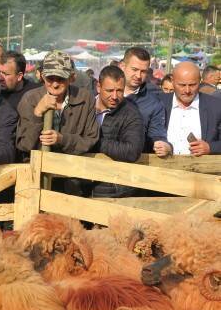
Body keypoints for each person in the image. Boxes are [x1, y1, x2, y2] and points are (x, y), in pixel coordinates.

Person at [16, 50, 99, 156]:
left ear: (71, 78)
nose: (55, 85)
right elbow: (24, 145)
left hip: (71, 166)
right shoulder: (30, 99)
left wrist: (62, 139)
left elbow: (91, 141)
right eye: (50, 78)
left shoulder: (85, 99)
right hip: (37, 166)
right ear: (42, 77)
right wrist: (37, 115)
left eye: (60, 79)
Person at [87, 66, 144, 198]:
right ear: (98, 87)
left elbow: (132, 151)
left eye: (119, 91)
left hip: (112, 188)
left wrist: (95, 142)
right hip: (78, 182)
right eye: (109, 90)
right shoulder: (84, 104)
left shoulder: (131, 113)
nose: (114, 96)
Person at [159, 61, 221, 156]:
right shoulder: (158, 102)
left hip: (201, 169)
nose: (187, 90)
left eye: (192, 85)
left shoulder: (216, 106)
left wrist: (210, 147)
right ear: (173, 81)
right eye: (182, 85)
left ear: (200, 81)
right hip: (161, 168)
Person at [119, 47, 168, 154]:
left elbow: (157, 134)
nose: (138, 76)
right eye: (135, 69)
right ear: (122, 66)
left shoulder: (154, 104)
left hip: (137, 162)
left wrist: (162, 145)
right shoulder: (105, 95)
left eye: (143, 71)